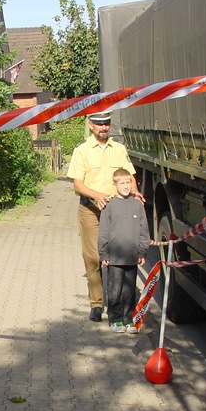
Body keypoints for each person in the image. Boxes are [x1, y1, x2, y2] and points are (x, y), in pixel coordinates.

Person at [66, 112, 140, 322]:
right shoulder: (82, 150)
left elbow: (129, 176)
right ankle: (97, 304)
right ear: (91, 125)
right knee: (93, 257)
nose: (103, 128)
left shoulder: (119, 149)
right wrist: (95, 195)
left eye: (106, 124)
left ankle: (121, 305)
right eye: (99, 124)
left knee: (121, 255)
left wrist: (135, 191)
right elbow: (77, 184)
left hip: (116, 211)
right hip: (90, 209)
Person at [98, 168, 150, 333]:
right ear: (115, 185)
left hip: (132, 256)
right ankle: (115, 319)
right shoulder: (109, 206)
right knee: (115, 290)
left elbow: (144, 230)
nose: (126, 186)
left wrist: (142, 251)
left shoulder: (137, 205)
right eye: (122, 183)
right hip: (114, 257)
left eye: (128, 182)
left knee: (129, 290)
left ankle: (128, 319)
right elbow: (104, 231)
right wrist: (104, 253)